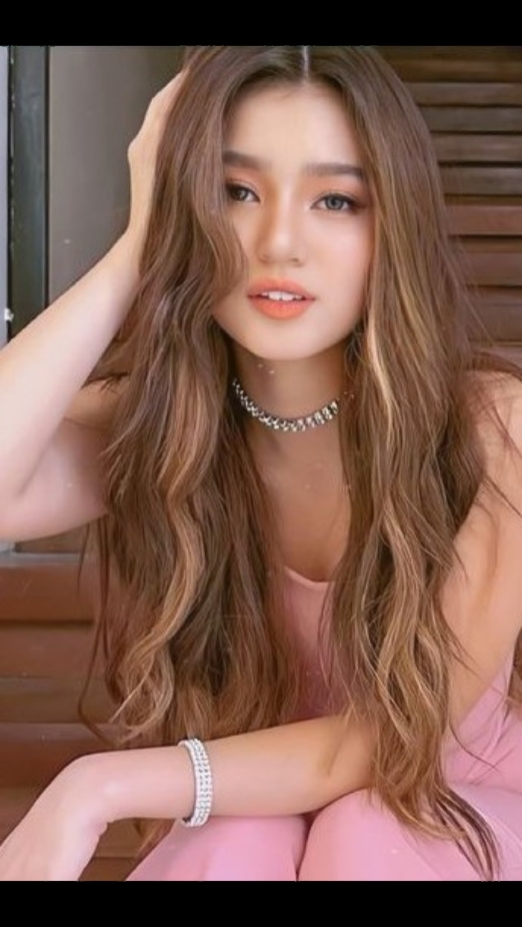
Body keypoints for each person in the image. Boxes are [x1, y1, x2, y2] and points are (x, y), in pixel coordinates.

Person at [0, 45, 521, 882]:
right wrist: (139, 248)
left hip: (459, 807)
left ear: (394, 226)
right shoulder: (166, 423)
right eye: (235, 191)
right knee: (232, 843)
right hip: (253, 817)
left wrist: (98, 785)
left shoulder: (495, 432)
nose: (279, 241)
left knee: (367, 832)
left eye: (335, 200)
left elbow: (393, 739)